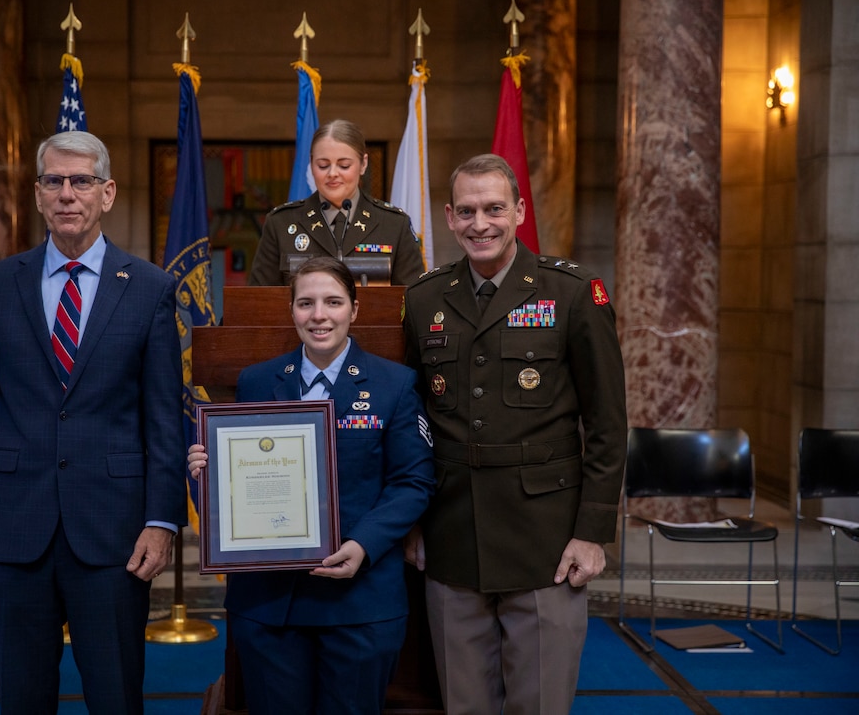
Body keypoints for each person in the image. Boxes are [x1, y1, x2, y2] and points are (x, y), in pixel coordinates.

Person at [0, 130, 187, 715]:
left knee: (115, 698)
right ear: (36, 194)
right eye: (53, 181)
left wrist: (163, 520)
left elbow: (162, 421)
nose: (67, 194)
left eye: (81, 181)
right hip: (13, 528)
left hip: (113, 533)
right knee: (23, 701)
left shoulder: (151, 289)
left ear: (106, 193)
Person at [402, 154, 627, 715]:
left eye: (495, 209)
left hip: (545, 539)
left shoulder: (573, 292)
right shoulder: (423, 298)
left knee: (540, 704)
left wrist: (593, 532)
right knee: (463, 704)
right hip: (452, 534)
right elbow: (412, 418)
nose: (481, 223)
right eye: (469, 211)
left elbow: (606, 422)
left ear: (520, 212)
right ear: (449, 218)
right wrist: (409, 520)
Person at [188, 257, 435, 714]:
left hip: (360, 601)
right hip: (271, 604)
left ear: (354, 310)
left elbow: (413, 481)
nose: (319, 315)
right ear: (292, 310)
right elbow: (239, 484)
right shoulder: (257, 381)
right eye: (306, 303)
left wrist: (364, 543)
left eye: (333, 302)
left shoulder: (394, 384)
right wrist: (206, 471)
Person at [248, 119, 425, 286]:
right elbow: (257, 301)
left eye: (344, 165)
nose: (332, 173)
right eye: (323, 165)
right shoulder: (281, 223)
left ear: (363, 164)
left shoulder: (394, 224)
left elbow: (415, 301)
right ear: (310, 164)